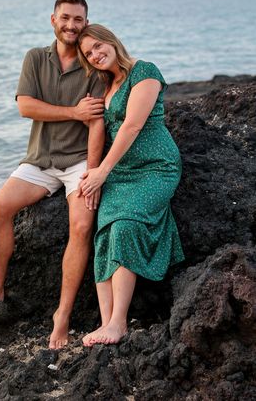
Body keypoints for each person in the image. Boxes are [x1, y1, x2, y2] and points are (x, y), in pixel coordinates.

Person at [0, 0, 106, 350]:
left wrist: (91, 173)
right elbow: (26, 107)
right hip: (40, 159)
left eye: (78, 19)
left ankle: (62, 314)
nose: (71, 25)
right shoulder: (34, 58)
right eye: (65, 18)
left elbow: (96, 124)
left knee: (82, 226)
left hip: (78, 162)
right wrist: (73, 112)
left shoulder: (93, 65)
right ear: (52, 20)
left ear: (85, 23)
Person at [76, 24, 185, 346]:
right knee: (105, 234)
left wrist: (100, 173)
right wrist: (90, 171)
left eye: (98, 46)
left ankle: (118, 322)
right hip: (121, 172)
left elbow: (133, 125)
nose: (96, 55)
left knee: (125, 227)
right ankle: (105, 320)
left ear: (111, 41)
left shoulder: (144, 71)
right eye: (88, 53)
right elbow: (100, 129)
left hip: (156, 167)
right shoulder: (107, 84)